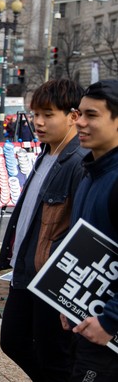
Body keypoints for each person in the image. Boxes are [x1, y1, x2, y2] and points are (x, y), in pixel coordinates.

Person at [0, 79, 86, 381]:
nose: (38, 122)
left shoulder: (78, 161)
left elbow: (79, 228)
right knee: (12, 341)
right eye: (35, 114)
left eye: (48, 114)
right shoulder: (45, 155)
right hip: (26, 271)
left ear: (73, 116)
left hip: (52, 278)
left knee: (53, 355)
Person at [62, 79, 118, 381]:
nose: (80, 122)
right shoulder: (90, 174)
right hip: (84, 320)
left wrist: (110, 321)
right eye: (78, 113)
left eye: (92, 115)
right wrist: (66, 302)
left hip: (106, 332)